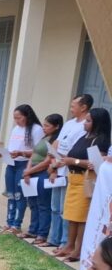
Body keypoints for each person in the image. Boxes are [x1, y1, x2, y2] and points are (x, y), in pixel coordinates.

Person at [53, 107, 111, 262]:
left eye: (89, 120)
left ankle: (78, 249)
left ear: (97, 123)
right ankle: (69, 245)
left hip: (85, 181)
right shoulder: (84, 136)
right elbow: (73, 154)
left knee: (81, 218)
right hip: (73, 179)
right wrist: (64, 160)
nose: (85, 123)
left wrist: (74, 161)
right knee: (71, 215)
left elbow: (97, 163)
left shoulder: (101, 140)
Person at [48, 94, 92, 251]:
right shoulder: (69, 123)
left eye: (74, 105)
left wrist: (65, 161)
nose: (71, 108)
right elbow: (57, 144)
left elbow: (77, 152)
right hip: (58, 167)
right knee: (54, 207)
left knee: (65, 210)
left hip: (71, 171)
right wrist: (53, 166)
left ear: (84, 107)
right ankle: (53, 238)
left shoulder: (84, 128)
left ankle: (65, 242)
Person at [0, 105, 45, 235]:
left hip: (24, 164)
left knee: (20, 196)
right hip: (11, 164)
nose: (16, 121)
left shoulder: (36, 129)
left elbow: (39, 151)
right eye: (14, 118)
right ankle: (9, 222)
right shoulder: (16, 129)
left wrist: (22, 153)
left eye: (18, 118)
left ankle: (16, 224)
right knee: (11, 194)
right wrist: (3, 153)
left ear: (27, 116)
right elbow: (11, 146)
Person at [21, 114, 63, 246]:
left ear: (56, 127)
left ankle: (42, 233)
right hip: (32, 172)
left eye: (47, 125)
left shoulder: (55, 141)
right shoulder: (44, 137)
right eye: (44, 124)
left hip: (42, 173)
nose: (44, 127)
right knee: (32, 203)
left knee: (43, 205)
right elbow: (33, 154)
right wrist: (27, 171)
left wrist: (30, 171)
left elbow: (47, 162)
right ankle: (32, 229)